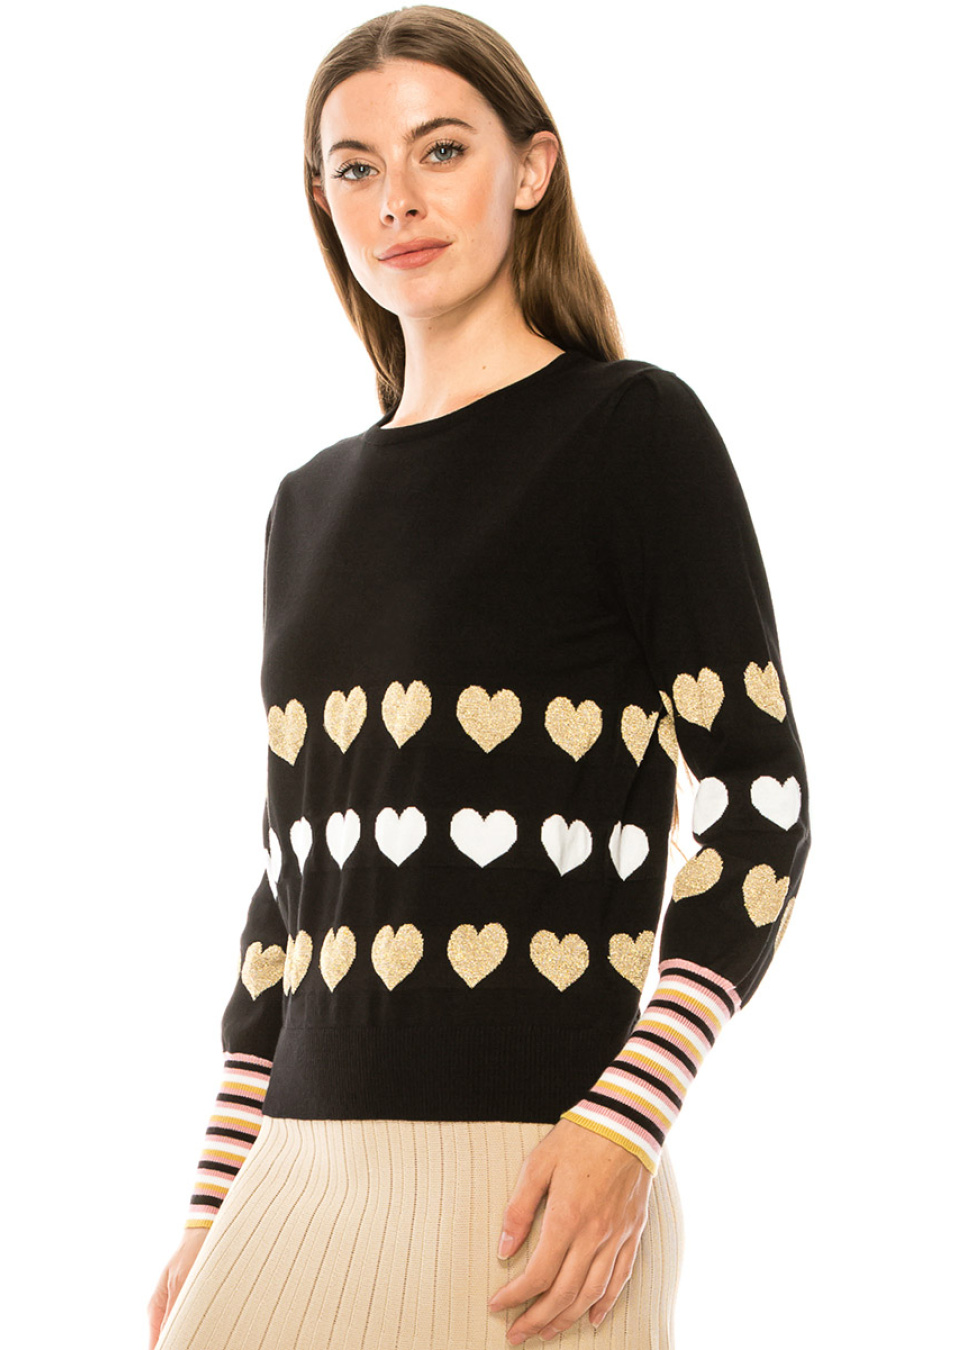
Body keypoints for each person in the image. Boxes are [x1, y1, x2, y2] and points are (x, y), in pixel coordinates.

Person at [147, 7, 811, 1348]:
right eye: (355, 166)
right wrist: (215, 1201)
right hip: (290, 1176)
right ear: (322, 199)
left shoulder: (630, 434)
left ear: (530, 169)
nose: (396, 197)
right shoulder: (304, 505)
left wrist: (625, 1122)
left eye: (440, 149)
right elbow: (293, 877)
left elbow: (761, 807)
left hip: (532, 1179)